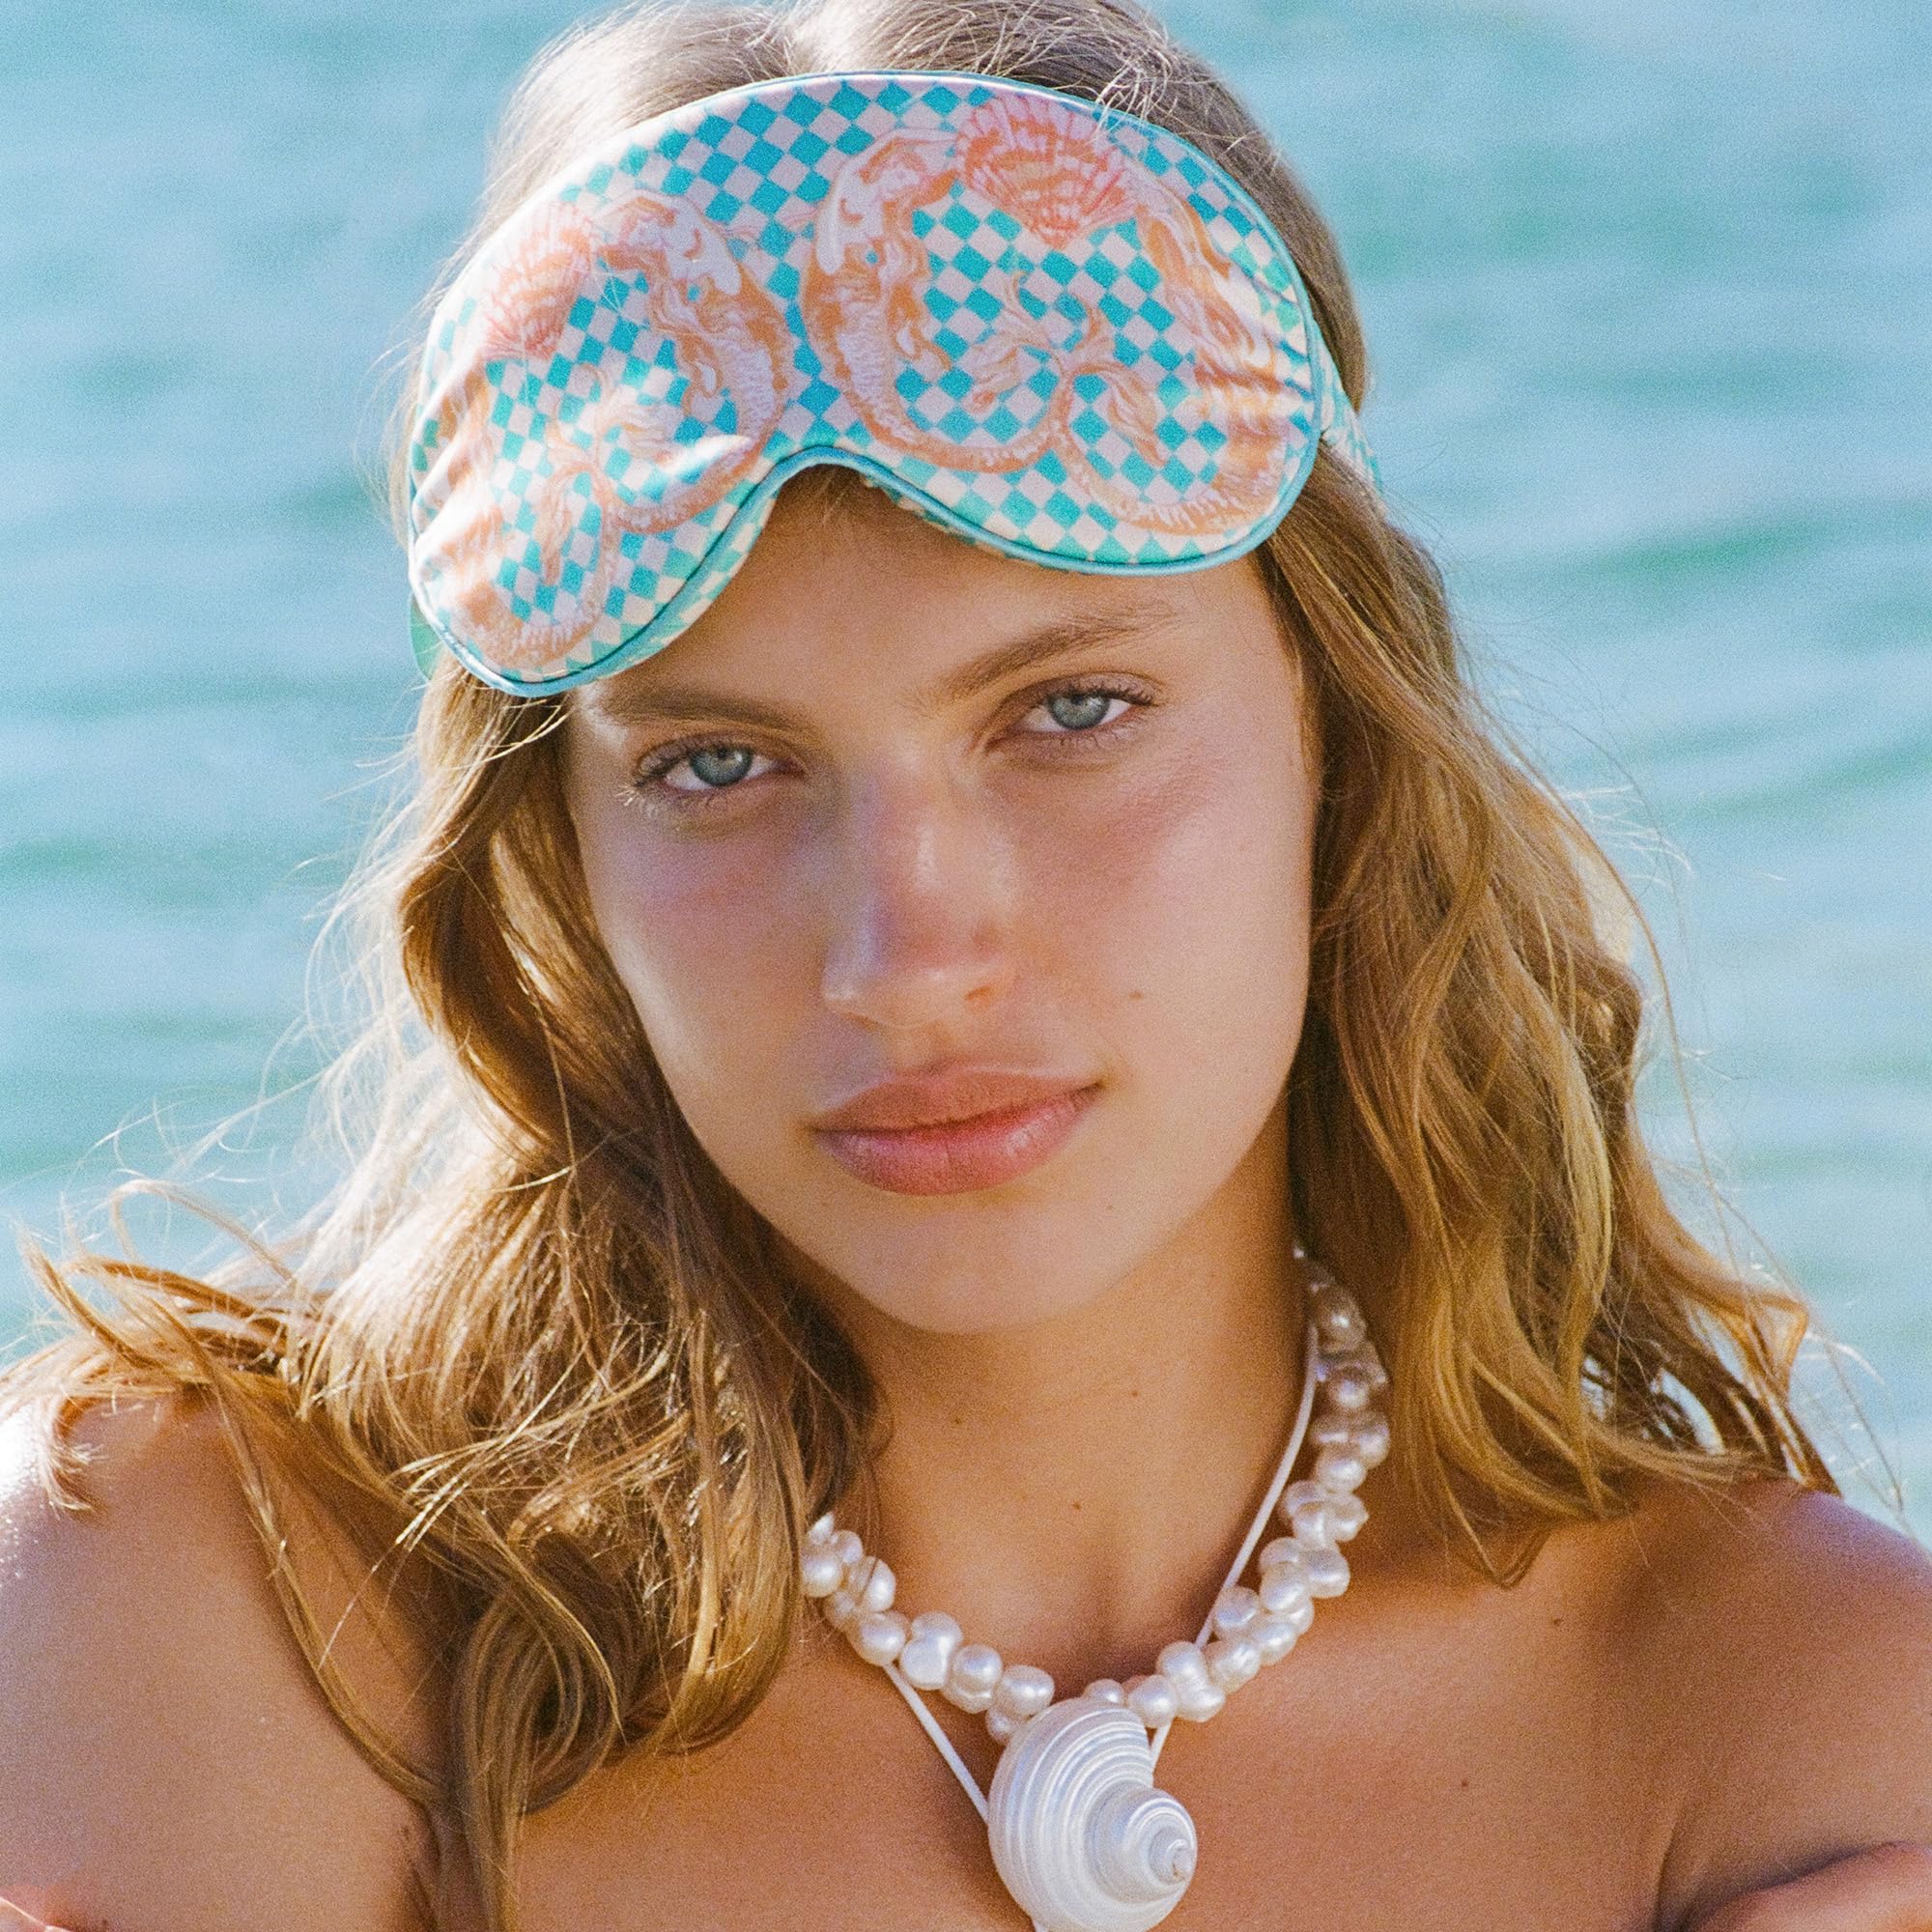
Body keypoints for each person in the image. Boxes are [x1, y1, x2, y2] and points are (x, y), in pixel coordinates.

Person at [1, 1, 1928, 1928]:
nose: (908, 957)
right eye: (716, 764)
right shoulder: (215, 1627)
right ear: (563, 859)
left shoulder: (1791, 1733)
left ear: (1340, 740)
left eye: (1070, 709)